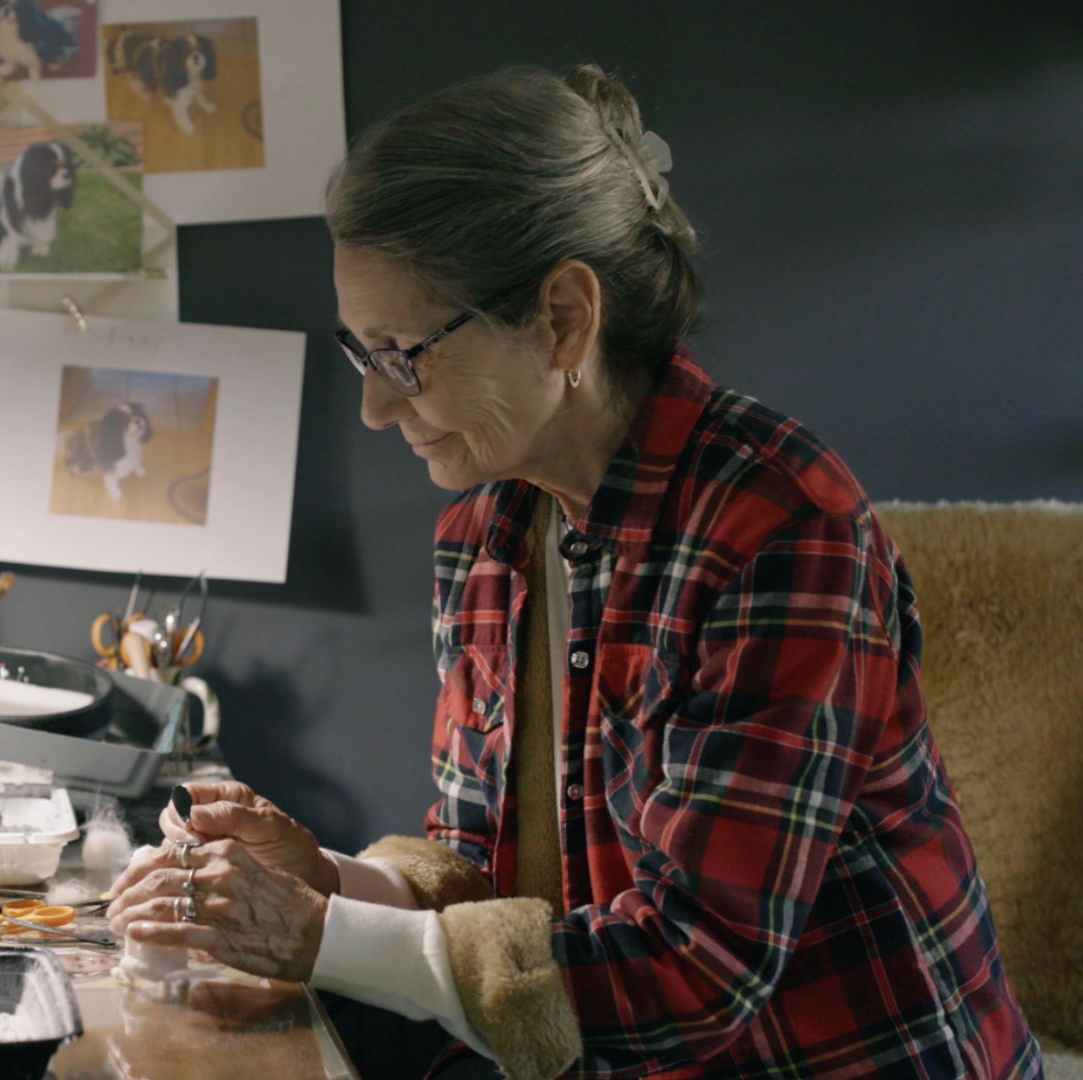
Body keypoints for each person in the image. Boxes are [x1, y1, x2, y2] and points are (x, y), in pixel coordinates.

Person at [107, 64, 1042, 1078]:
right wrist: (327, 884)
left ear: (562, 318)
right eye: (359, 353)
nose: (376, 408)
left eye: (402, 353)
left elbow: (696, 973)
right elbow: (488, 880)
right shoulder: (482, 533)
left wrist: (316, 936)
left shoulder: (782, 526)